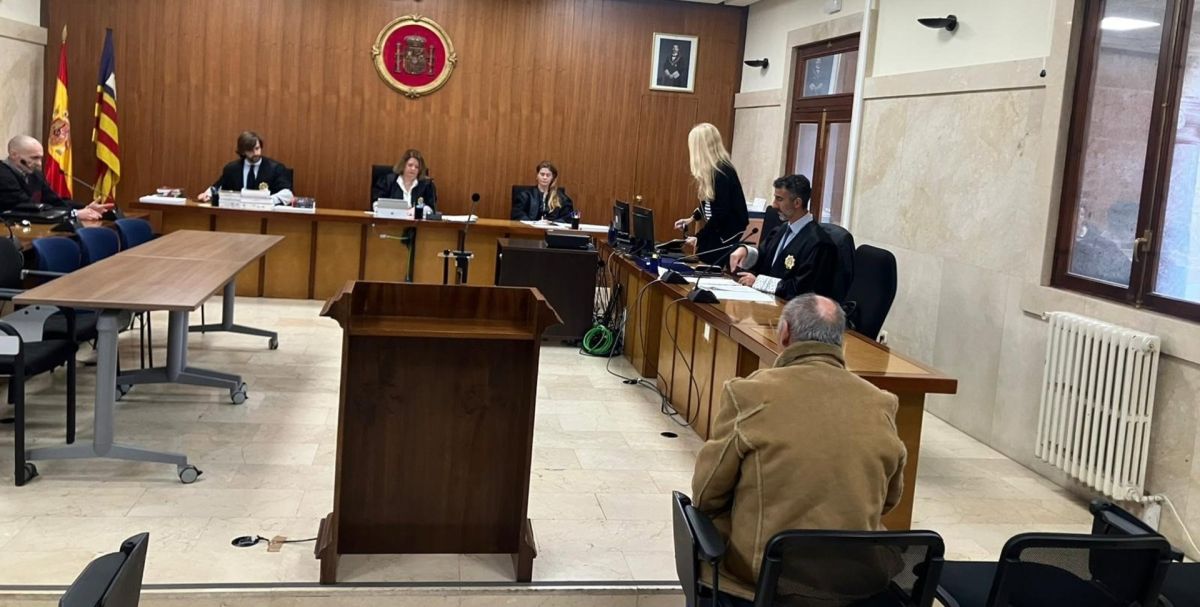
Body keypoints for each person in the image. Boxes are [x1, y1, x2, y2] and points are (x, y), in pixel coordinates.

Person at [691, 294, 907, 606]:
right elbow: (889, 499)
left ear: (784, 334)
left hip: (766, 581)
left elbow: (707, 492)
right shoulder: (881, 402)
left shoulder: (748, 393)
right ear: (841, 342)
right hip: (853, 583)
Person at [728, 174, 839, 301]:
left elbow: (802, 289)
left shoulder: (819, 243)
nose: (774, 205)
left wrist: (759, 282)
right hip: (764, 302)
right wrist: (746, 252)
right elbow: (763, 258)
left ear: (797, 203)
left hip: (790, 309)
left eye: (779, 199)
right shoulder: (780, 230)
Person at [673, 123, 749, 264]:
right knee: (699, 260)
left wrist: (699, 237)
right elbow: (709, 202)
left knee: (705, 265)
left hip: (725, 233)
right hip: (717, 228)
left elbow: (721, 212)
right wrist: (692, 218)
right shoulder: (712, 170)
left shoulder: (722, 172)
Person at [0, 135, 110, 220]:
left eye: (40, 158)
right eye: (34, 158)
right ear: (14, 155)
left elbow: (54, 200)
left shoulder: (35, 174)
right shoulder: (3, 175)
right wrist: (73, 214)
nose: (39, 164)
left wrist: (84, 208)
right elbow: (28, 207)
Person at [196, 131, 293, 205]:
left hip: (267, 215)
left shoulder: (275, 168)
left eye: (257, 148)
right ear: (243, 151)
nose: (256, 153)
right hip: (238, 215)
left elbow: (287, 193)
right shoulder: (232, 169)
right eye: (250, 150)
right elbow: (218, 187)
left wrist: (267, 200)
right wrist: (207, 194)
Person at [371, 148, 438, 214]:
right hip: (391, 219)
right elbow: (376, 203)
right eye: (410, 165)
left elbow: (431, 209)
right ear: (403, 165)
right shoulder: (388, 181)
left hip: (416, 220)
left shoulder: (426, 185)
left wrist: (415, 211)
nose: (413, 169)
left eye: (417, 167)